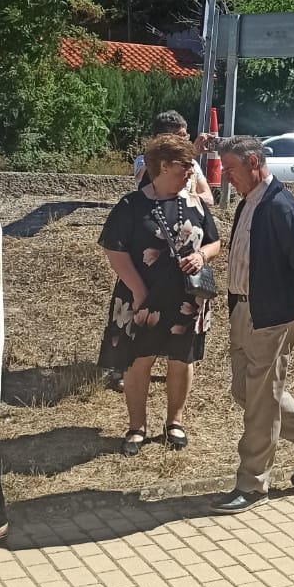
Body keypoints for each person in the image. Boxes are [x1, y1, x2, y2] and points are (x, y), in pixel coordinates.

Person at [211, 136, 294, 515]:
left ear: (254, 162)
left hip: (273, 314)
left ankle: (252, 485)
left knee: (261, 403)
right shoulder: (249, 202)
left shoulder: (281, 206)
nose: (226, 177)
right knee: (245, 391)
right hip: (244, 310)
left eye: (231, 168)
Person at [99, 133, 222, 454]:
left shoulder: (195, 201)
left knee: (181, 359)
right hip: (142, 299)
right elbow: (115, 250)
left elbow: (214, 241)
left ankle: (175, 422)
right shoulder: (132, 205)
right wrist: (139, 292)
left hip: (186, 298)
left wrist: (203, 256)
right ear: (164, 166)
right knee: (139, 361)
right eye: (186, 166)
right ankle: (136, 428)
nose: (191, 172)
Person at [132, 110, 216, 206]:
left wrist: (184, 198)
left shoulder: (193, 164)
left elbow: (208, 198)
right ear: (161, 138)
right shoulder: (144, 160)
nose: (184, 141)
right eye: (179, 136)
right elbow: (143, 176)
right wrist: (190, 152)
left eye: (185, 136)